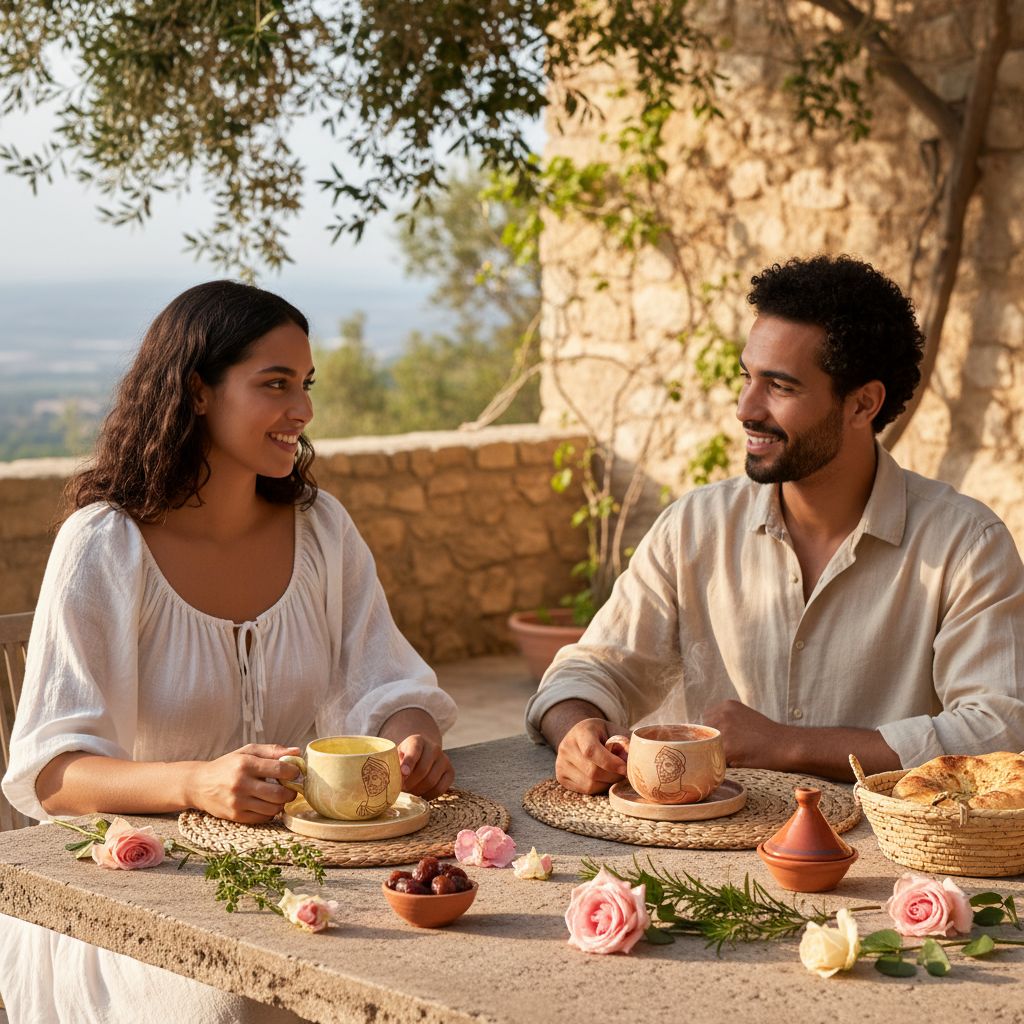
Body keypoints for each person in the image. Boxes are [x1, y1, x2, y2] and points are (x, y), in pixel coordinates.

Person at [0, 280, 457, 1024]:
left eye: (305, 385)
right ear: (198, 392)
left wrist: (415, 738)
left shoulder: (322, 529)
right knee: (235, 1003)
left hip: (305, 868)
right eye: (274, 384)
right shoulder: (105, 545)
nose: (302, 410)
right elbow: (52, 778)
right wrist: (199, 784)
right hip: (140, 892)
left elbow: (388, 676)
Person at [526, 254, 1024, 795]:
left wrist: (788, 744)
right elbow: (590, 669)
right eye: (747, 377)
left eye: (780, 387)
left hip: (885, 861)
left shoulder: (966, 544)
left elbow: (998, 728)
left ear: (863, 404)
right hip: (704, 852)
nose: (746, 407)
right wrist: (576, 729)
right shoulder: (693, 527)